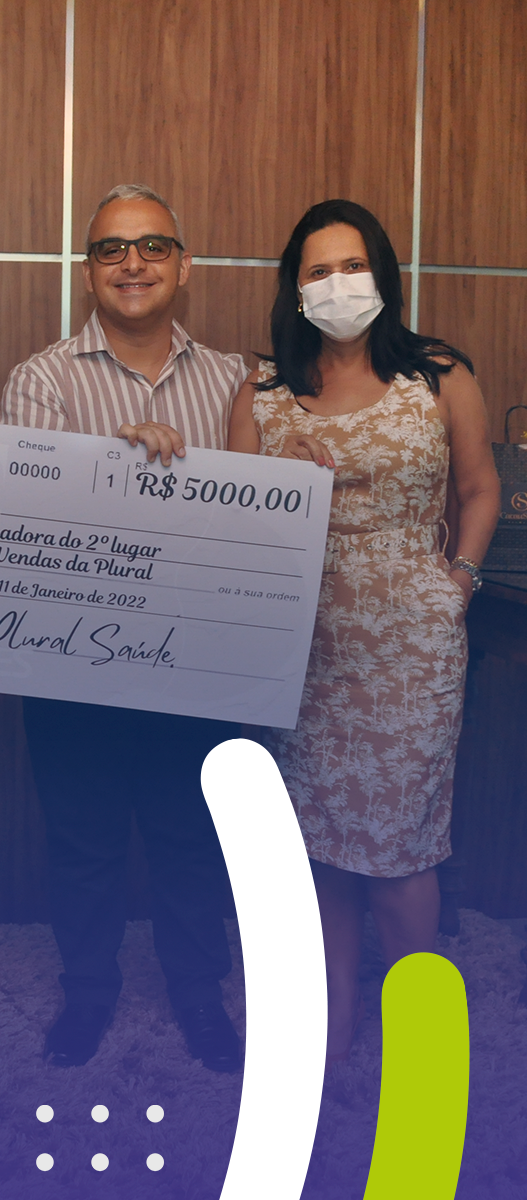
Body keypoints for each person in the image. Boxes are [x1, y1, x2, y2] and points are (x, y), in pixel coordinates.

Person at [227, 199, 499, 1065]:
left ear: (382, 273)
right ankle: (332, 1020)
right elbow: (232, 517)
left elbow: (480, 488)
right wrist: (275, 478)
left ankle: (418, 1040)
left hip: (413, 647)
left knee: (402, 851)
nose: (338, 284)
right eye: (319, 270)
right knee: (319, 847)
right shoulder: (262, 392)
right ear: (295, 287)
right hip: (301, 648)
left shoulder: (439, 375)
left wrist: (458, 584)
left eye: (354, 266)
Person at [0, 184, 247, 1071]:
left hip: (200, 657)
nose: (132, 264)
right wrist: (114, 467)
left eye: (152, 247)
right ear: (87, 271)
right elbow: (22, 521)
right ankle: (88, 994)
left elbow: (256, 519)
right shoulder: (41, 379)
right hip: (76, 659)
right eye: (111, 249)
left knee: (193, 839)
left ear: (185, 264)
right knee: (83, 842)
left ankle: (199, 994)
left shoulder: (238, 381)